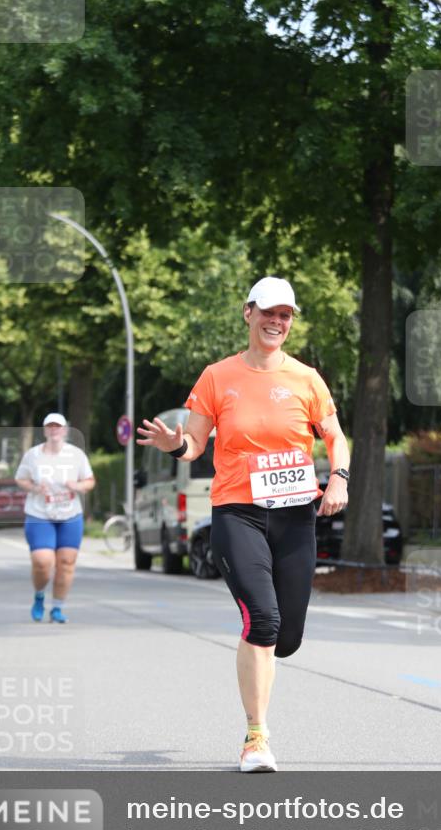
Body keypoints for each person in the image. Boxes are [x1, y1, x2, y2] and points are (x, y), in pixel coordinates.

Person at [137, 277, 350, 772]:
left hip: (296, 514)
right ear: (248, 313)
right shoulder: (218, 376)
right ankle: (257, 737)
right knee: (264, 620)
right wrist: (175, 446)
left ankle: (263, 677)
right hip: (238, 511)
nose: (278, 322)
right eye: (269, 313)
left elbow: (336, 437)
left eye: (286, 315)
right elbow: (193, 443)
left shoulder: (307, 378)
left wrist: (337, 479)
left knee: (287, 636)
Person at [15, 413, 95, 624]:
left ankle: (58, 607)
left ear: (65, 430)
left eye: (57, 426)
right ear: (44, 431)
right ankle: (39, 595)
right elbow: (20, 478)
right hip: (39, 513)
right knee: (43, 562)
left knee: (67, 563)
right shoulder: (33, 455)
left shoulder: (76, 455)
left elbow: (89, 481)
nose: (54, 430)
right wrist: (34, 487)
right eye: (50, 427)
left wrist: (76, 486)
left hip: (70, 514)